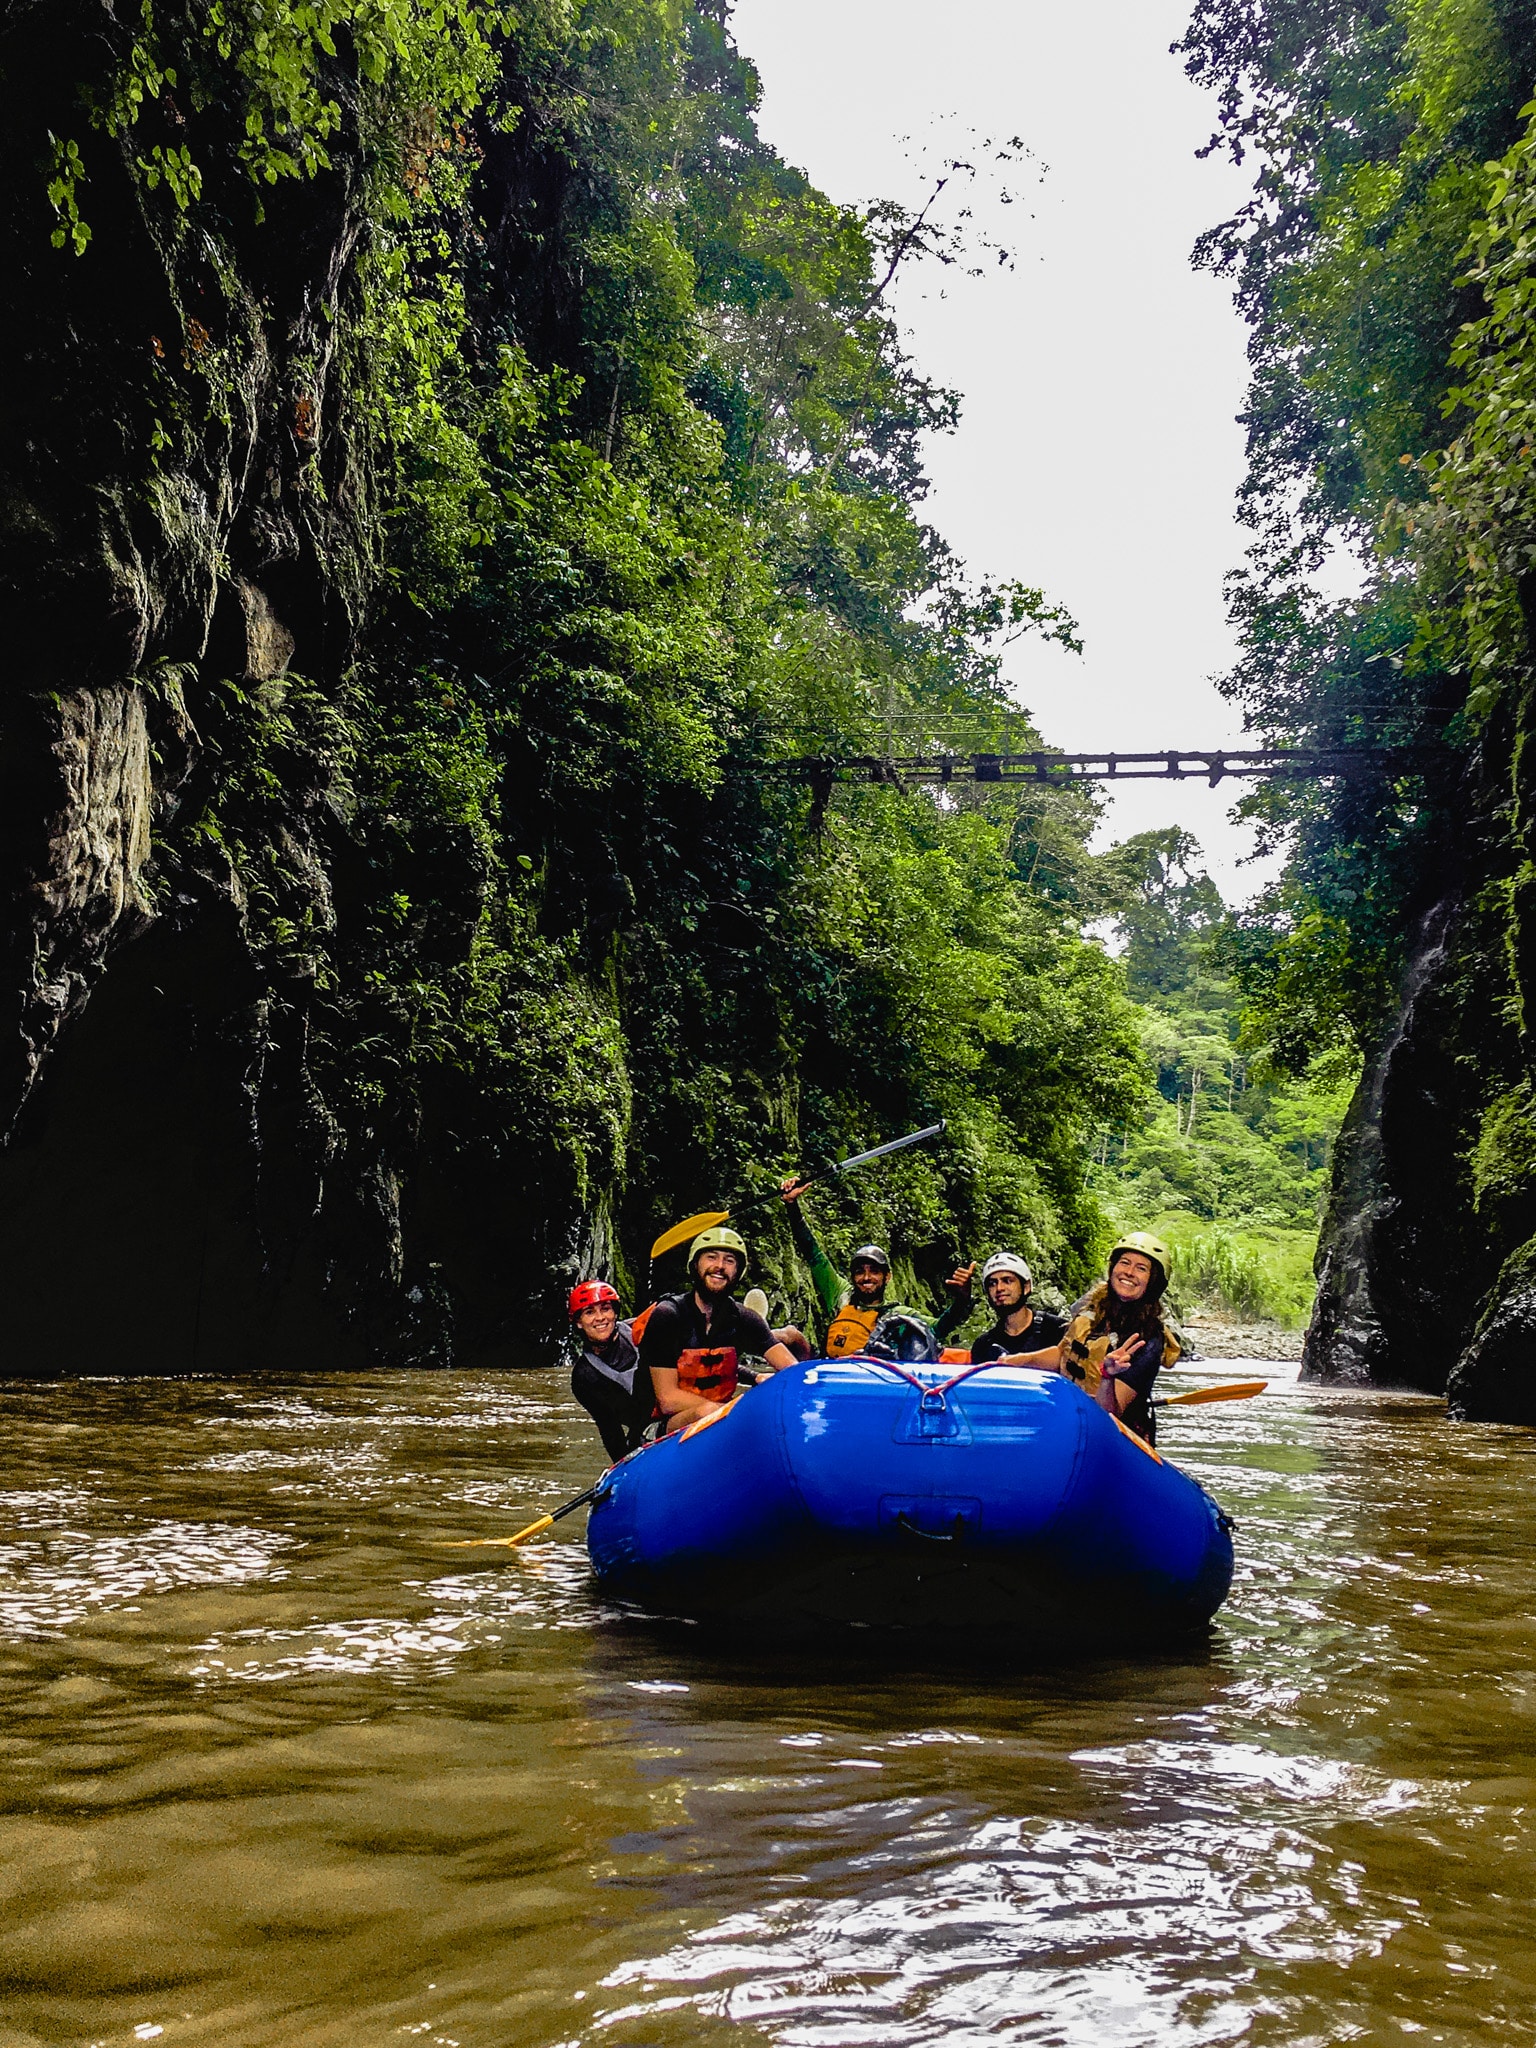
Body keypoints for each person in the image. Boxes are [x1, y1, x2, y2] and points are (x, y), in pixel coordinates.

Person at [781, 1178, 975, 1358]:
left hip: (868, 1376)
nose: (866, 1277)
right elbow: (812, 1253)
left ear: (887, 1276)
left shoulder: (899, 1315)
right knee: (790, 1335)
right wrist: (792, 1207)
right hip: (827, 1367)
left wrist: (962, 1299)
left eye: (874, 1271)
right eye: (859, 1271)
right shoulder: (841, 1296)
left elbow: (939, 1328)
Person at [638, 1227, 799, 1430]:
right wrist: (734, 1409)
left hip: (722, 1419)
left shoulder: (744, 1318)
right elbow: (668, 1400)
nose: (720, 1266)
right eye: (711, 1257)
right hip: (664, 1427)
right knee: (706, 1413)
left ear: (738, 1272)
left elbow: (793, 1370)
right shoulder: (668, 1315)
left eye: (729, 1260)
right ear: (695, 1265)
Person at [1056, 1232, 1180, 1444]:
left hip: (1116, 1440)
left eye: (1141, 1268)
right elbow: (1062, 1353)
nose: (1129, 1272)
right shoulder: (1093, 1314)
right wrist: (1015, 1361)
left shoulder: (1148, 1340)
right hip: (1073, 1422)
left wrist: (1108, 1376)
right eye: (1125, 1263)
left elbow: (1110, 1416)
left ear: (1153, 1282)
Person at [567, 1280, 654, 1463]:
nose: (600, 1318)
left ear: (615, 1313)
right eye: (589, 1312)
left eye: (605, 1309)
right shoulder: (585, 1377)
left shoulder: (641, 1330)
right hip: (646, 1432)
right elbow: (610, 1429)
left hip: (676, 1410)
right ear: (579, 1323)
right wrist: (623, 1467)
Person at [968, 1251, 1067, 1365]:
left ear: (1026, 1287)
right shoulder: (983, 1345)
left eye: (1007, 1281)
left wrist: (1026, 1360)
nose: (999, 1288)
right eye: (992, 1283)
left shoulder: (1057, 1329)